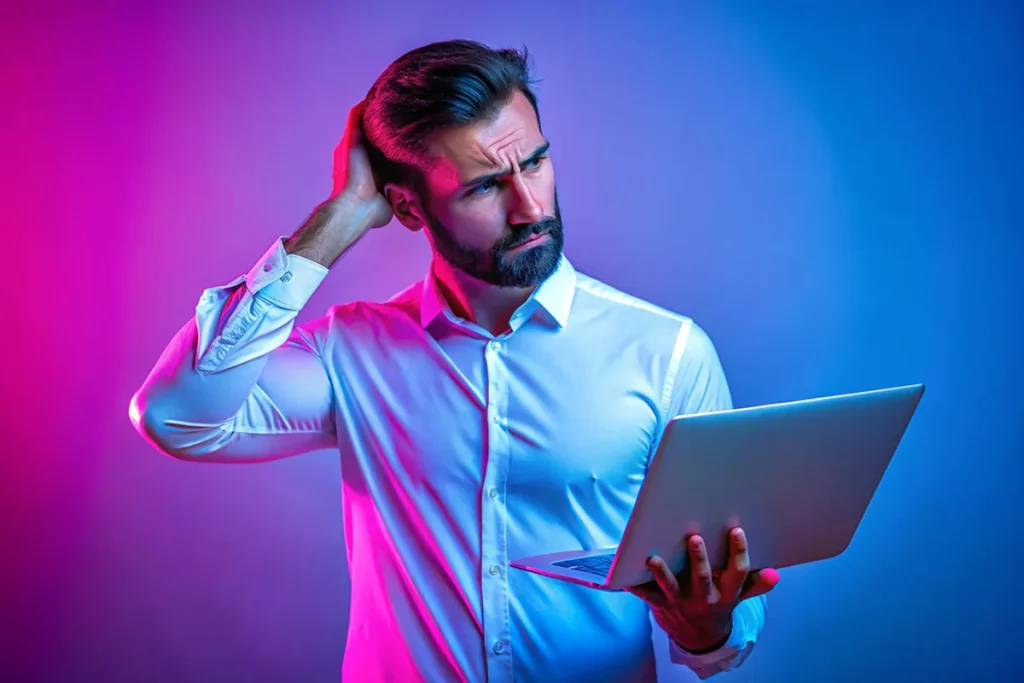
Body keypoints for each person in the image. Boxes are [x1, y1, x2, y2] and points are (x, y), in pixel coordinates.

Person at [130, 39, 780, 682]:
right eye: (484, 188)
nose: (530, 207)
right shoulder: (351, 353)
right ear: (408, 207)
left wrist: (709, 627)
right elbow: (177, 416)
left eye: (536, 162)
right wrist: (342, 213)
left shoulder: (666, 351)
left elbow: (726, 618)